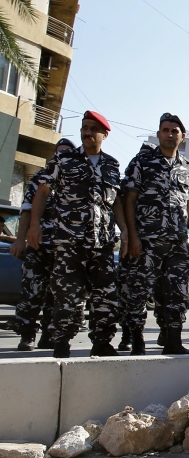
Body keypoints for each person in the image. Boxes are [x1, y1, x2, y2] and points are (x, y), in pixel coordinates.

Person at [27, 111, 127, 358]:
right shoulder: (64, 160)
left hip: (102, 243)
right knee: (67, 297)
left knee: (106, 298)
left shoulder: (112, 165)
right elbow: (42, 192)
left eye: (93, 129)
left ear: (104, 134)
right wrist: (34, 225)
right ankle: (61, 343)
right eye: (84, 127)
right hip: (69, 242)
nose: (87, 132)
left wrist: (124, 231)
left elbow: (115, 203)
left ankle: (102, 343)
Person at [123, 113, 189, 355]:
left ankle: (173, 341)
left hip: (177, 241)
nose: (169, 134)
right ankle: (137, 341)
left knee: (177, 293)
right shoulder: (142, 162)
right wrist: (132, 236)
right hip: (146, 240)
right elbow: (129, 200)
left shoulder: (186, 167)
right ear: (158, 134)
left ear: (182, 136)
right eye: (165, 130)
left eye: (174, 131)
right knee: (139, 290)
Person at [10, 138, 76, 351]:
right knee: (32, 291)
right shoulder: (40, 178)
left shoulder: (76, 179)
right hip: (39, 245)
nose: (61, 157)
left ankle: (49, 335)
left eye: (66, 153)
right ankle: (27, 335)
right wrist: (21, 239)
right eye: (58, 153)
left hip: (65, 247)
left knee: (58, 295)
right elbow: (27, 209)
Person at [116, 140, 157, 352]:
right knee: (130, 292)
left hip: (153, 244)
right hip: (133, 243)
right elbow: (121, 205)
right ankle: (128, 335)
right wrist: (127, 234)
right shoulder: (129, 180)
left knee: (149, 292)